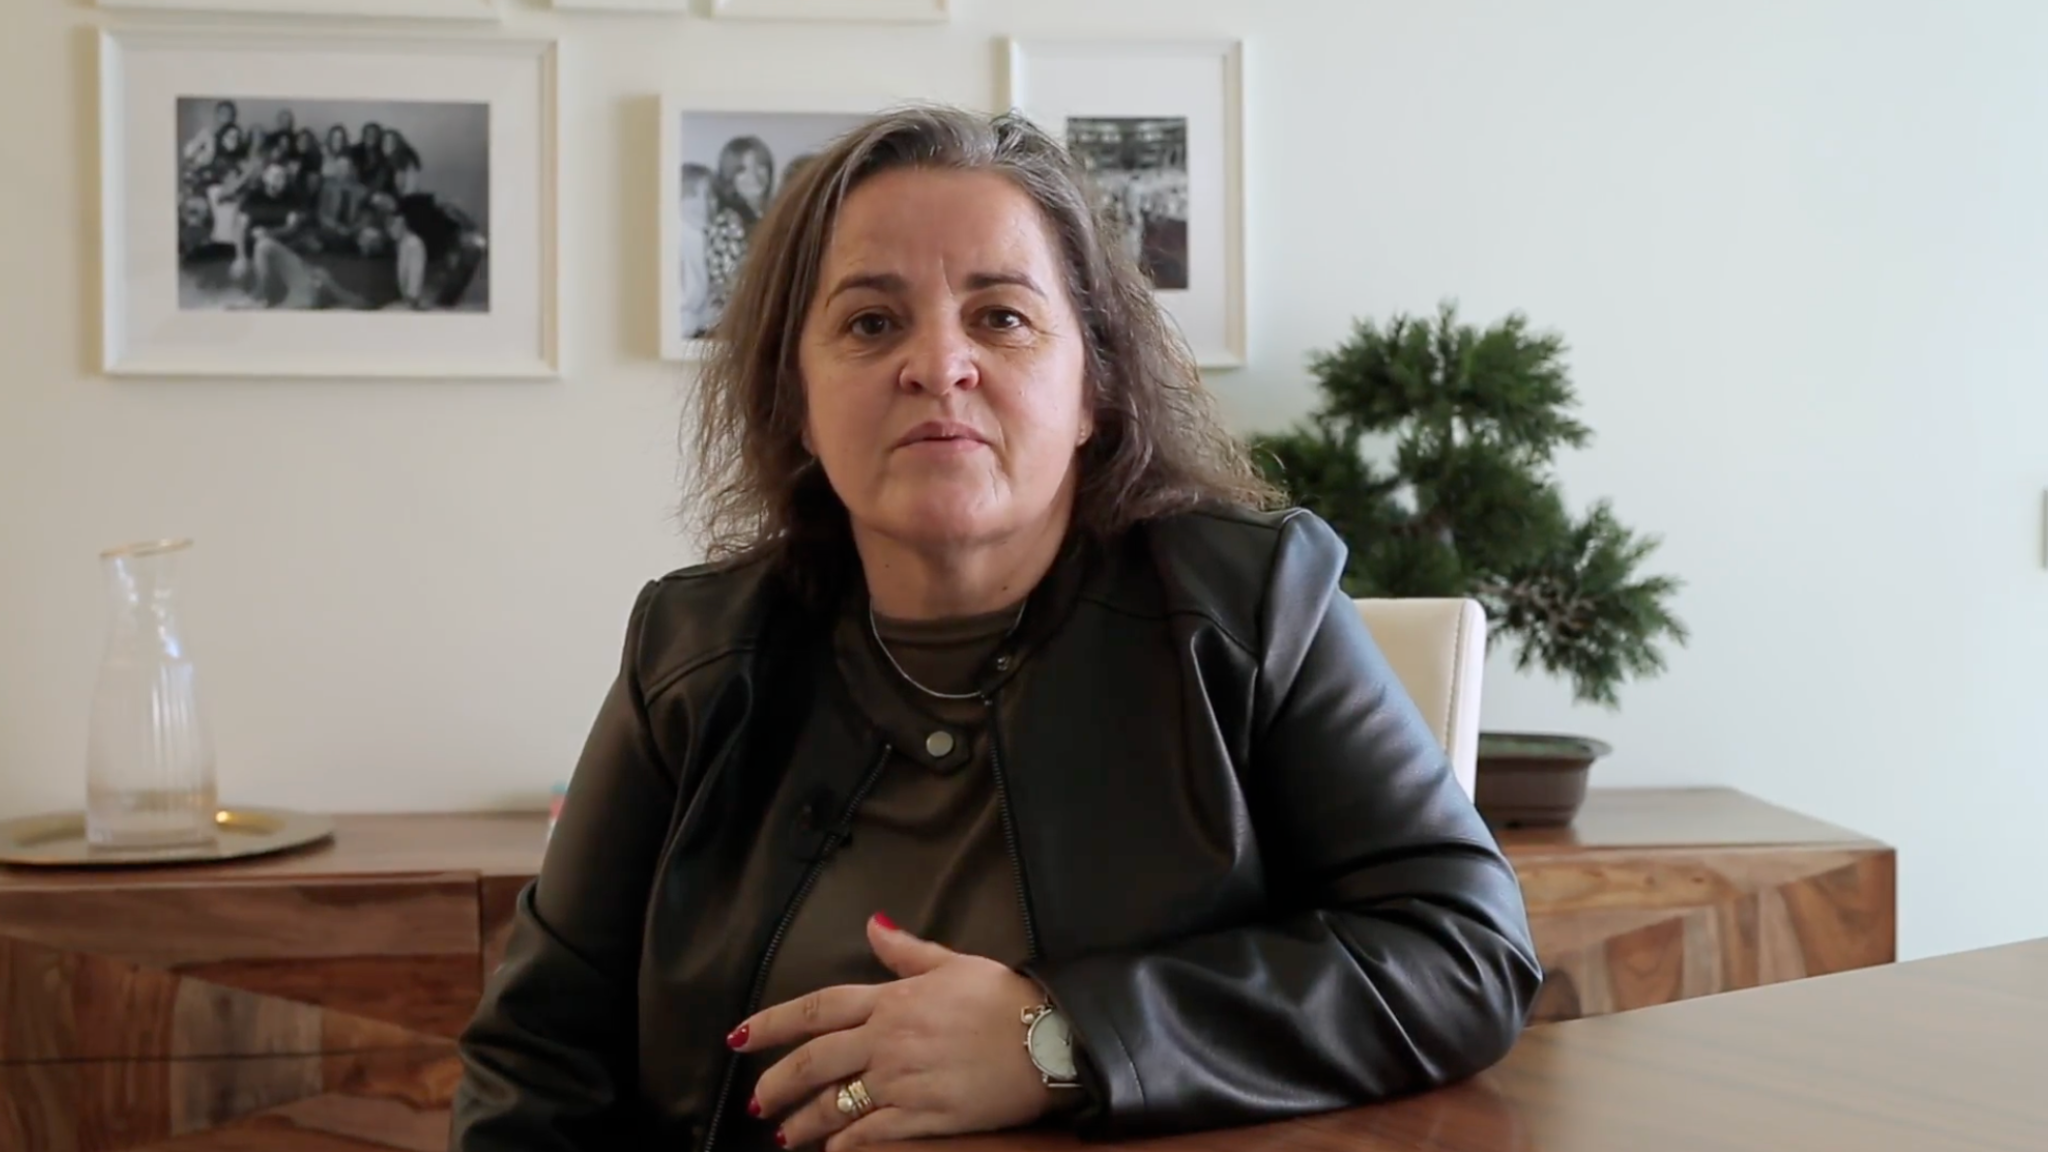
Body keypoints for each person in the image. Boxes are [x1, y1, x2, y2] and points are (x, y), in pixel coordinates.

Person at [449, 105, 1539, 1152]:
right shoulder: (692, 650)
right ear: (797, 401)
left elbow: (1463, 951)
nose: (938, 365)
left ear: (1091, 388)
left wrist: (1059, 1038)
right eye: (871, 322)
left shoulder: (1249, 603)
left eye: (1001, 317)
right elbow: (536, 1060)